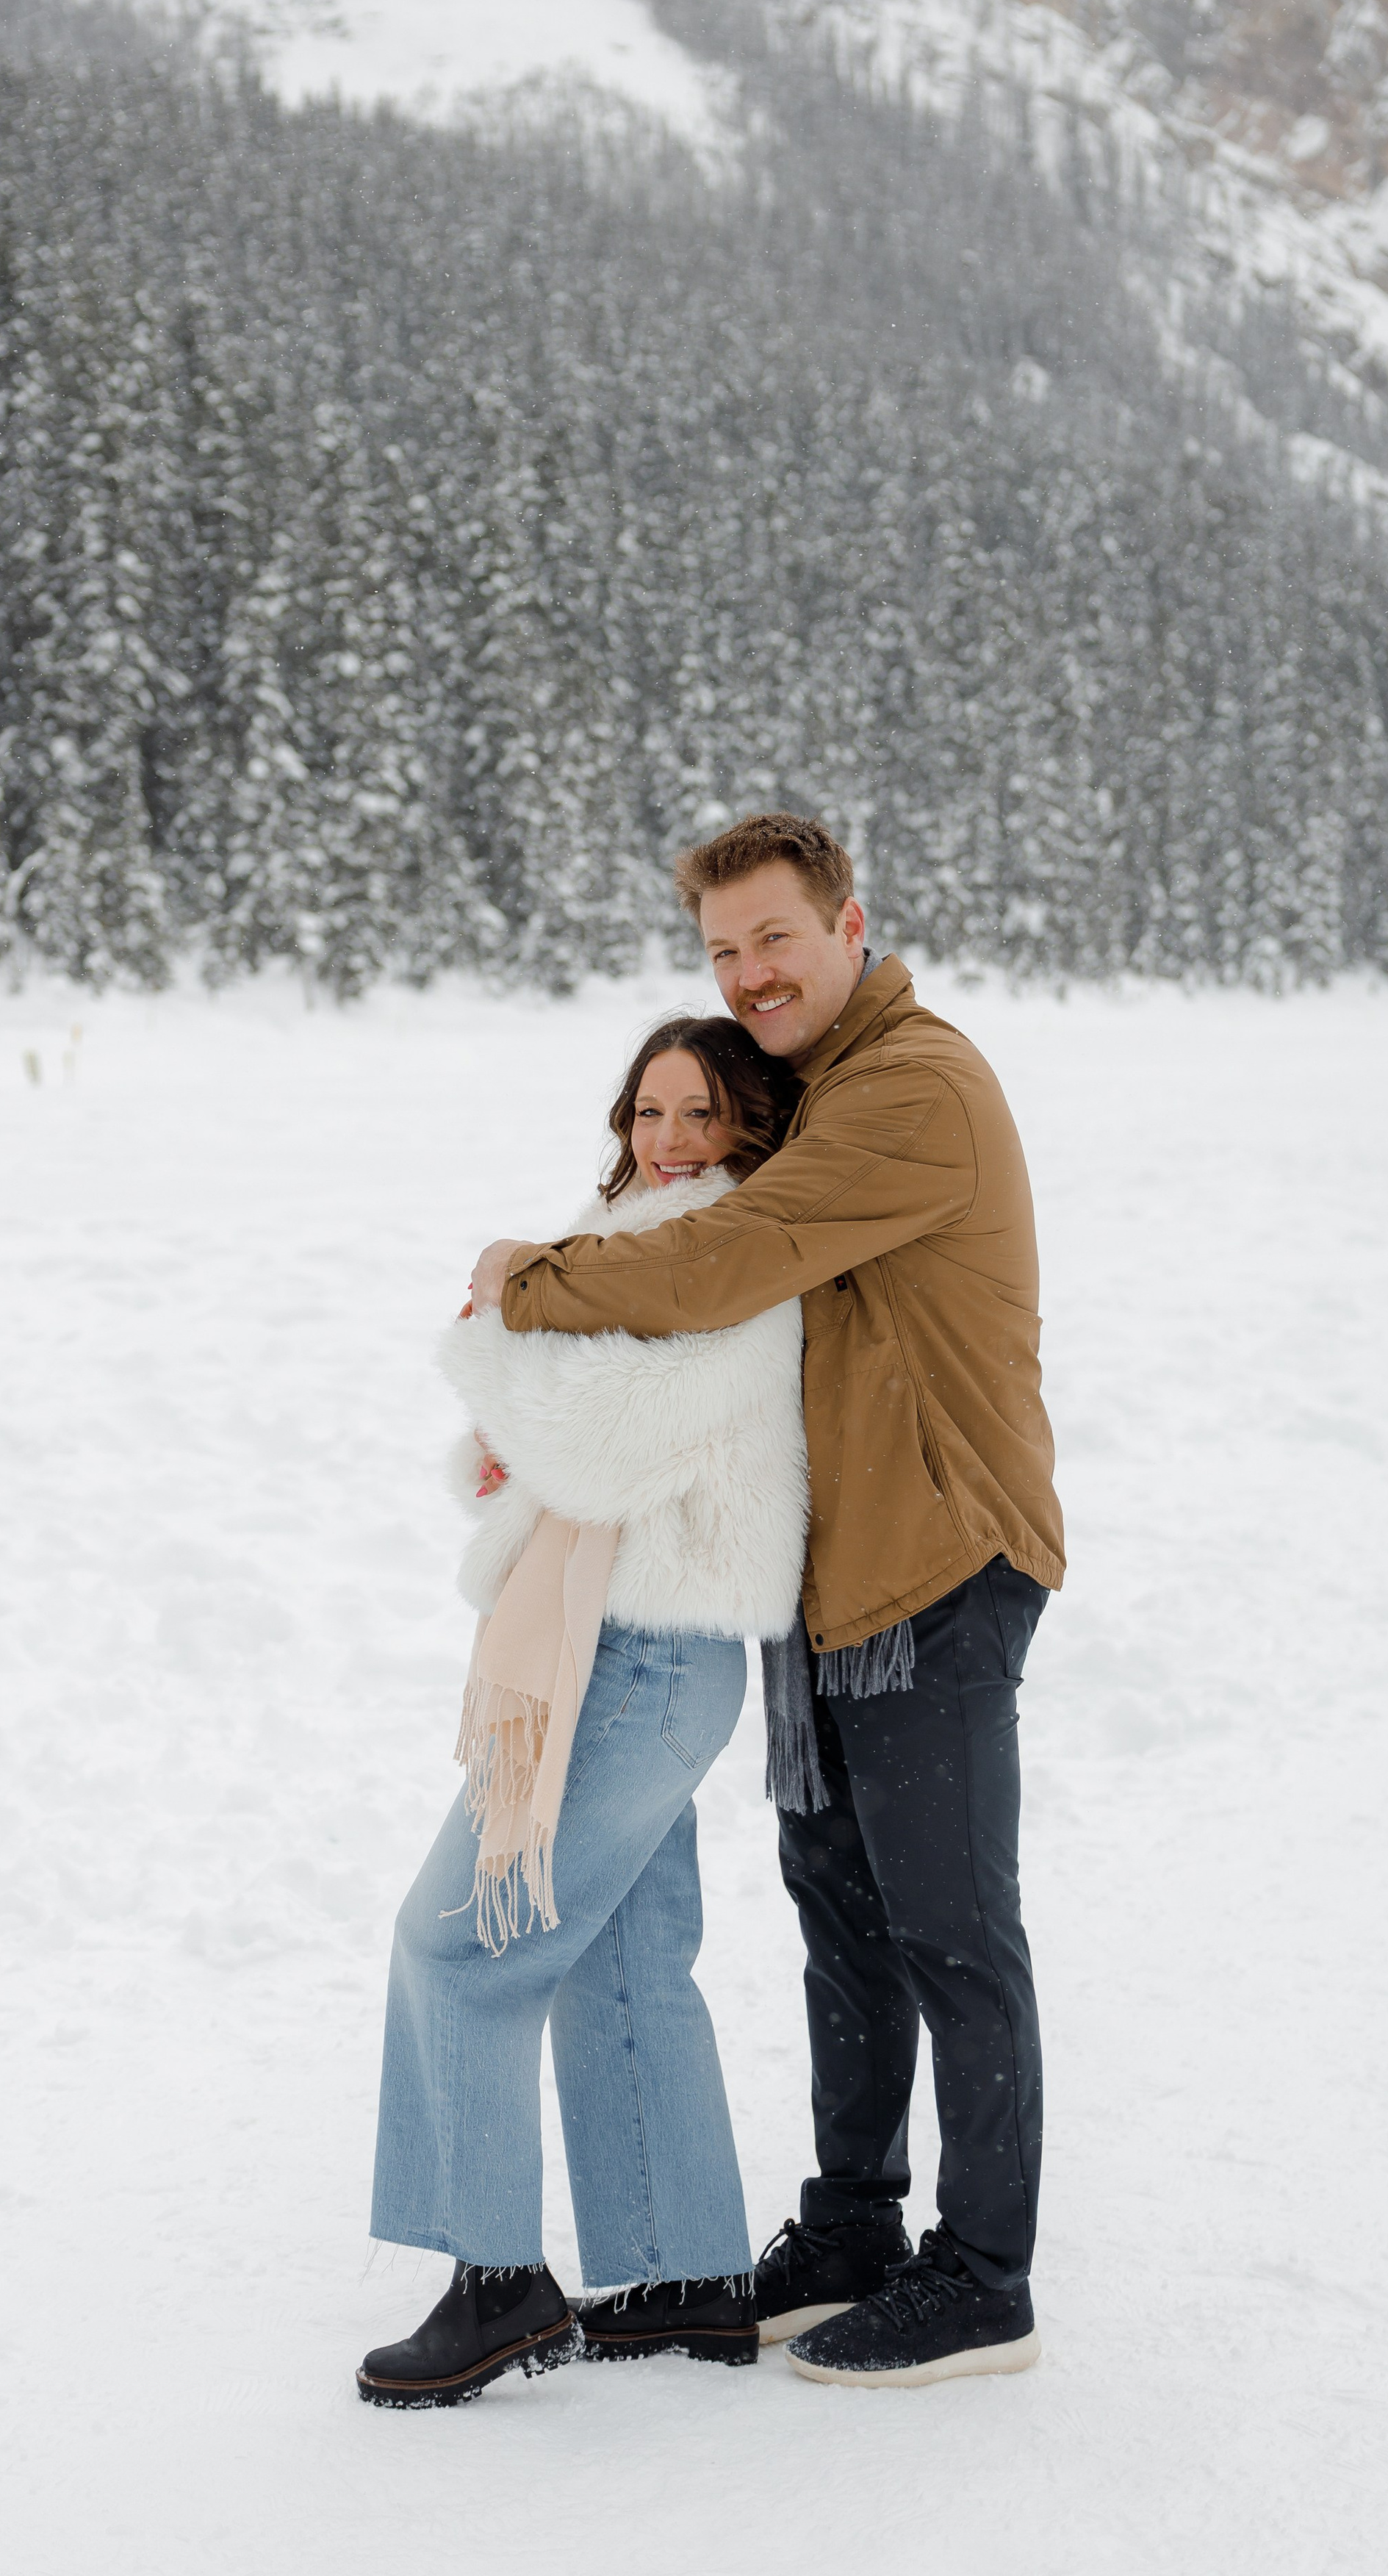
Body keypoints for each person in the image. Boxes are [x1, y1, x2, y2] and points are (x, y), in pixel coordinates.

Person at [470, 811, 1065, 2389]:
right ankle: (853, 2227)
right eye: (722, 951)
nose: (747, 975)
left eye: (772, 941)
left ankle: (983, 2274)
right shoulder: (810, 1091)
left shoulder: (910, 1088)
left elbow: (726, 1261)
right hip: (837, 1580)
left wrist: (525, 1280)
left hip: (937, 1563)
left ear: (847, 922)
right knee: (844, 1922)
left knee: (949, 1930)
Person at [359, 1016, 808, 2409]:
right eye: (647, 1111)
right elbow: (524, 1453)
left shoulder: (734, 1261)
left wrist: (503, 1314)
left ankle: (499, 2283)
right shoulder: (624, 1249)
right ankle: (689, 2274)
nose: (666, 1140)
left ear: (747, 1130)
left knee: (462, 1942)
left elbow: (595, 1439)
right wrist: (518, 1394)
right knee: (620, 1956)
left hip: (648, 1662)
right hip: (610, 1643)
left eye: (700, 1113)